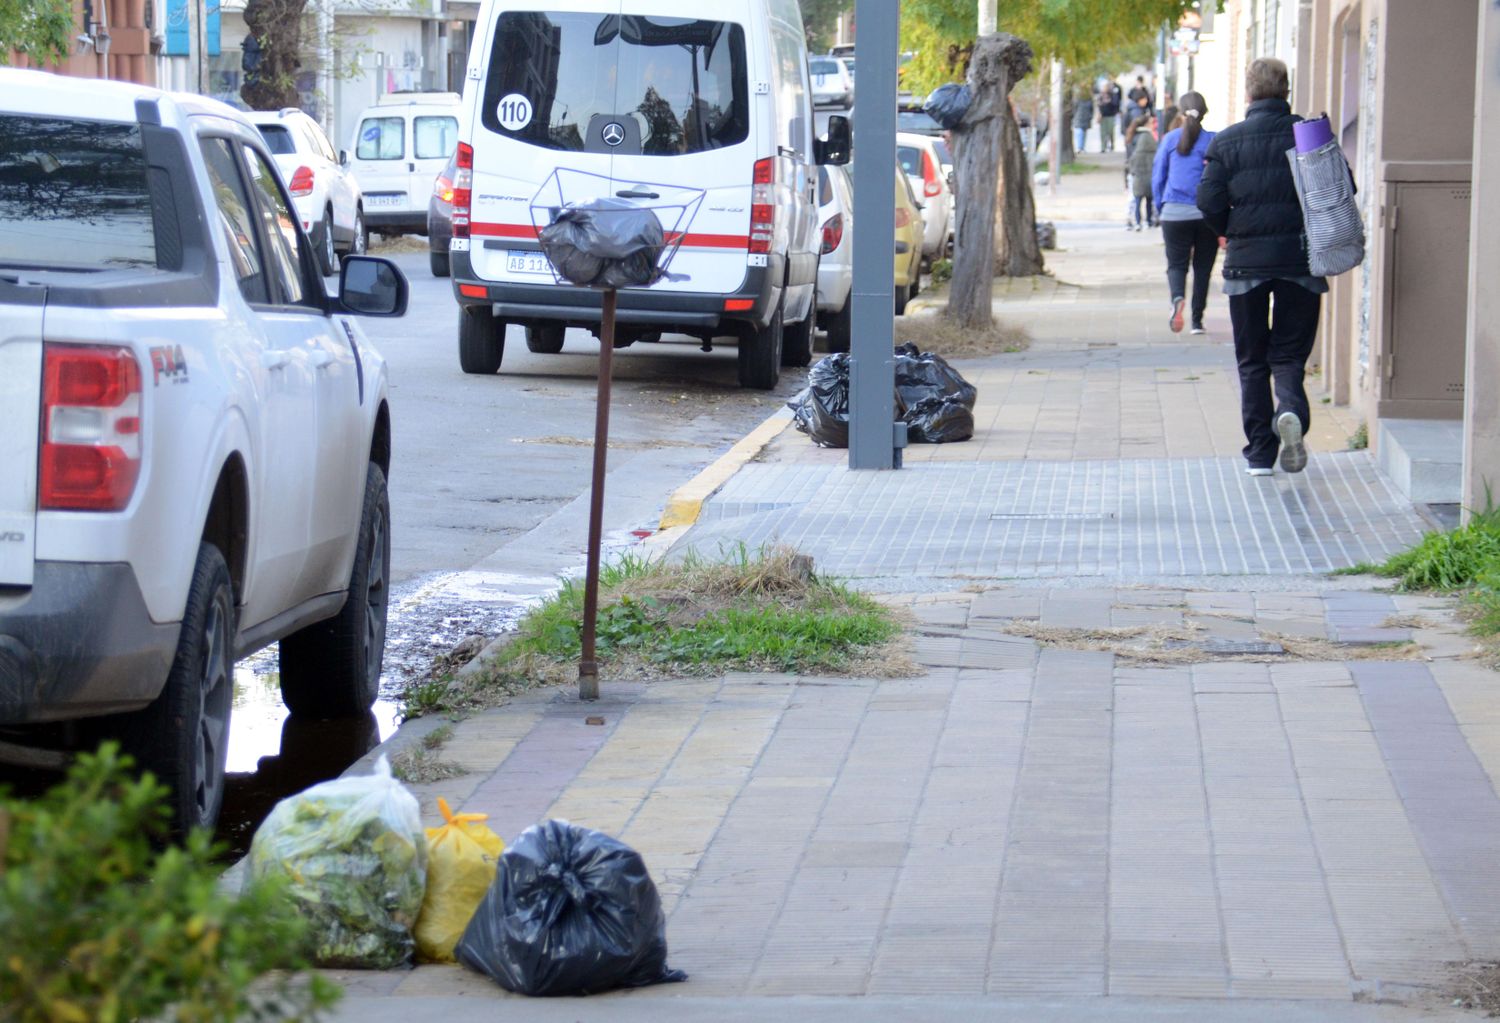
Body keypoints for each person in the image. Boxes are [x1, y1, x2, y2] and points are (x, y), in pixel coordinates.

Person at [1197, 58, 1326, 478]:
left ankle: (1259, 454)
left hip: (1246, 266)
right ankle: (1290, 411)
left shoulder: (1227, 142)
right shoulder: (1310, 136)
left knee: (1251, 360)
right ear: (1286, 90)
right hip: (1302, 261)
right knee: (1288, 355)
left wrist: (1230, 232)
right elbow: (1341, 189)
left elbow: (1209, 202)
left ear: (1249, 93)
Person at [1151, 91, 1217, 336]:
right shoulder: (1213, 140)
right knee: (1203, 268)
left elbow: (1158, 177)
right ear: (1204, 113)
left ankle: (1177, 298)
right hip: (1205, 215)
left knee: (1177, 265)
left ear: (1180, 112)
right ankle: (1197, 321)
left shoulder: (1169, 140)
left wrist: (1161, 207)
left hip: (1174, 213)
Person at [1128, 115, 1157, 230]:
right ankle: (1148, 221)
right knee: (1148, 202)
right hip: (1148, 175)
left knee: (1137, 201)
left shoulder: (1134, 136)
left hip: (1138, 176)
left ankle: (1137, 222)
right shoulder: (1148, 137)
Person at [1096, 80, 1122, 152]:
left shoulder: (1112, 95)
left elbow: (1116, 103)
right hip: (1103, 116)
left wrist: (1110, 102)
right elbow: (1098, 105)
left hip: (1111, 115)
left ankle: (1112, 145)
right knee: (1103, 132)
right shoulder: (1100, 96)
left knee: (1110, 131)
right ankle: (1103, 147)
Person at [1072, 87, 1095, 154]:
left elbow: (1092, 109)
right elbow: (1074, 108)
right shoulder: (1077, 99)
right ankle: (1079, 147)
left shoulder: (1089, 100)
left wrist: (1091, 116)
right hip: (1078, 117)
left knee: (1084, 133)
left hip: (1086, 118)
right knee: (1079, 132)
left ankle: (1082, 147)